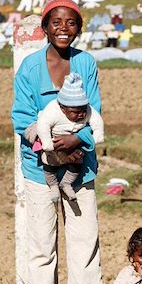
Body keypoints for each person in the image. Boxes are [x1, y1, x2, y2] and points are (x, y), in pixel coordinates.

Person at [11, 0, 103, 284]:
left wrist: (75, 139)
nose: (64, 29)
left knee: (84, 234)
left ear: (79, 28)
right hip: (40, 165)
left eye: (71, 23)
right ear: (45, 27)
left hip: (80, 162)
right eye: (56, 22)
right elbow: (22, 116)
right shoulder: (30, 69)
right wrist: (49, 141)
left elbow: (93, 111)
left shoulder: (87, 63)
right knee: (42, 241)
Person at [25, 72, 105, 202]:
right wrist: (47, 143)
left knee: (77, 162)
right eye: (76, 112)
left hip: (75, 146)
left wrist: (95, 136)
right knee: (49, 165)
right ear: (63, 108)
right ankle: (53, 186)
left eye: (83, 110)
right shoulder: (52, 111)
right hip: (54, 143)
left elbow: (96, 120)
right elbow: (43, 125)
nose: (81, 115)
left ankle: (66, 184)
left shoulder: (87, 111)